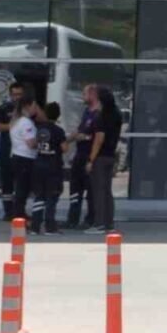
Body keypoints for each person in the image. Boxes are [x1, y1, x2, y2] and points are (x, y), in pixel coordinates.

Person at [86, 87, 123, 235]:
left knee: (99, 191)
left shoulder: (101, 117)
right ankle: (109, 223)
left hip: (100, 158)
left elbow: (99, 139)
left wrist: (91, 159)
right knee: (107, 191)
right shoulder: (117, 115)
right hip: (111, 156)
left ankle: (99, 223)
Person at [31, 102, 67, 236]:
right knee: (52, 196)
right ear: (58, 115)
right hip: (53, 167)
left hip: (39, 164)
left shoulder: (40, 129)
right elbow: (64, 148)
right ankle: (50, 226)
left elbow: (34, 144)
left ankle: (35, 226)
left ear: (45, 114)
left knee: (39, 196)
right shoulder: (58, 131)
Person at [0, 82, 24, 221]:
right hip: (6, 150)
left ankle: (20, 211)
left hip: (23, 151)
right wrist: (13, 126)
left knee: (22, 182)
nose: (17, 97)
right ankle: (8, 211)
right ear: (10, 95)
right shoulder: (4, 108)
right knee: (7, 182)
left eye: (20, 94)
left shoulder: (28, 109)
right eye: (15, 94)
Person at [67, 85, 99, 229]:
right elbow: (80, 130)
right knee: (75, 187)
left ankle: (90, 219)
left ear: (92, 94)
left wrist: (84, 137)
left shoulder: (99, 114)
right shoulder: (87, 111)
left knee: (91, 190)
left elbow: (97, 137)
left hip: (90, 155)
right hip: (80, 154)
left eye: (84, 93)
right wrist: (68, 139)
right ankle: (72, 219)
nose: (82, 96)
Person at [9, 86, 39, 225]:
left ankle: (18, 214)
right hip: (25, 159)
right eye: (34, 106)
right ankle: (19, 215)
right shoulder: (26, 123)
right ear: (28, 106)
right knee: (23, 189)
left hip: (17, 156)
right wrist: (41, 141)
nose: (35, 109)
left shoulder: (17, 121)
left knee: (21, 188)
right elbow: (31, 143)